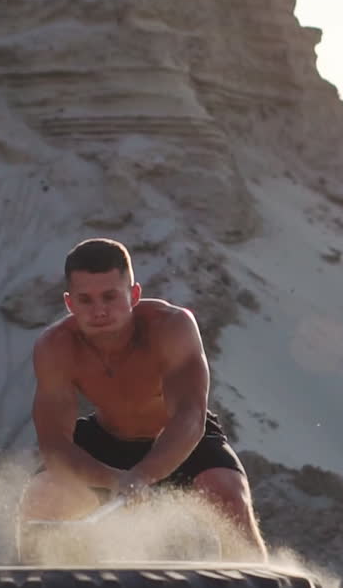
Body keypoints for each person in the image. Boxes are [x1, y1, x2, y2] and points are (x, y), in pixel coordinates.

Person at [18, 237, 268, 560]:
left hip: (177, 438)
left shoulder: (171, 326)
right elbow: (55, 445)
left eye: (110, 296)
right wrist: (113, 479)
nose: (99, 310)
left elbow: (190, 416)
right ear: (69, 303)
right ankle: (34, 585)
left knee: (227, 493)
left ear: (134, 295)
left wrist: (144, 473)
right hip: (106, 442)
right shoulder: (55, 346)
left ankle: (259, 584)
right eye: (86, 300)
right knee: (41, 497)